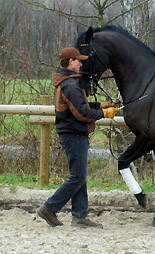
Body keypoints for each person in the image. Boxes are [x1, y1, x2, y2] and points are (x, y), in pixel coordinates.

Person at [36, 47, 119, 228]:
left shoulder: (67, 82)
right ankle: (49, 208)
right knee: (77, 177)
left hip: (72, 133)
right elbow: (82, 113)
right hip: (73, 134)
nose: (81, 63)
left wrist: (101, 105)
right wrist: (104, 113)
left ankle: (79, 216)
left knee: (79, 176)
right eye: (78, 60)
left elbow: (82, 105)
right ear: (70, 62)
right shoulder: (70, 85)